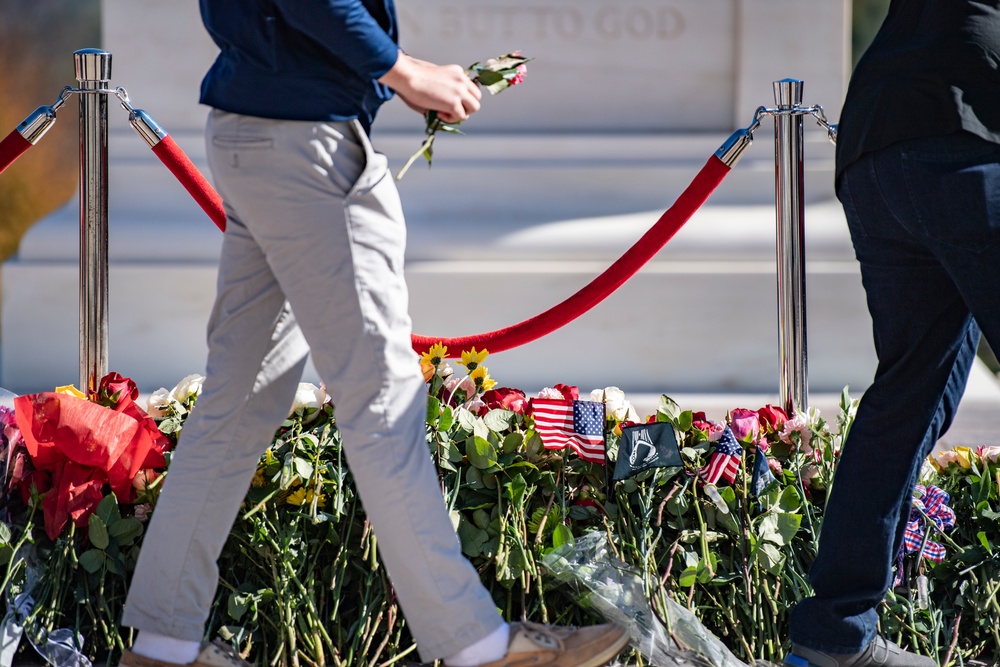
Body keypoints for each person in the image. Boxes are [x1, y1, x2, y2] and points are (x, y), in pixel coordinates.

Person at [116, 3, 629, 667]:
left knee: (237, 403)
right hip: (310, 144)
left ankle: (163, 644)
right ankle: (482, 647)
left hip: (251, 126)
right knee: (381, 400)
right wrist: (403, 70)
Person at [784, 1, 1000, 666]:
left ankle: (834, 629)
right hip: (966, 128)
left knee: (907, 392)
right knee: (910, 389)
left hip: (877, 143)